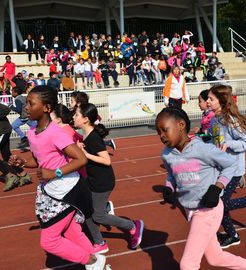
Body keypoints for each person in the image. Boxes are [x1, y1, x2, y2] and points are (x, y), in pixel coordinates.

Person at [8, 86, 106, 270]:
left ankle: (93, 261)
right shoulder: (32, 133)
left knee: (49, 241)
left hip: (68, 189)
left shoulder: (56, 132)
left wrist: (55, 173)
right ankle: (100, 264)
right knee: (72, 231)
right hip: (51, 190)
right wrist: (21, 162)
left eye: (31, 103)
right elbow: (39, 160)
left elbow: (81, 159)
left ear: (46, 107)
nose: (26, 107)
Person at [155, 106, 246, 270]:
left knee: (188, 264)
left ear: (181, 125)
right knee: (215, 258)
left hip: (207, 210)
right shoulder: (167, 154)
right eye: (158, 132)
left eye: (164, 130)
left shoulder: (203, 149)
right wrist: (169, 187)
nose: (161, 136)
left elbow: (230, 164)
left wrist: (217, 187)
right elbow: (171, 174)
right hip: (189, 210)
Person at [73, 103, 144, 252]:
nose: (73, 117)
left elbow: (106, 160)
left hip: (102, 182)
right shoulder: (86, 135)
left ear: (85, 119)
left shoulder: (93, 137)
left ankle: (132, 226)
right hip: (92, 180)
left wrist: (85, 154)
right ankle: (99, 242)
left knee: (98, 216)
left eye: (76, 115)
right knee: (87, 211)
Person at [207, 84, 246, 248]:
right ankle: (232, 235)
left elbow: (244, 141)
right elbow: (213, 138)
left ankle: (232, 234)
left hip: (234, 169)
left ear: (221, 101)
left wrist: (228, 143)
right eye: (208, 98)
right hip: (221, 169)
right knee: (219, 204)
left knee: (220, 204)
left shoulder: (231, 120)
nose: (208, 102)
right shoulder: (214, 119)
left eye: (211, 99)